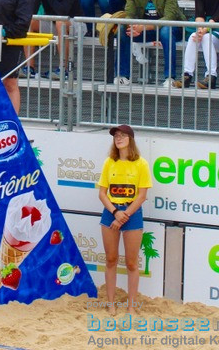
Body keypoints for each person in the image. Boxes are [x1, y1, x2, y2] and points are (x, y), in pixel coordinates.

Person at [97, 124, 151, 314]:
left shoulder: (141, 164)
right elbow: (102, 194)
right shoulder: (109, 163)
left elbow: (142, 196)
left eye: (122, 135)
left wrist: (124, 215)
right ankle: (111, 303)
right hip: (111, 212)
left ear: (131, 139)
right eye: (116, 136)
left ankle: (131, 306)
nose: (118, 138)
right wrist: (115, 213)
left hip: (132, 214)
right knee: (111, 259)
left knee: (131, 263)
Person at [114, 0, 184, 87]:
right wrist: (132, 27)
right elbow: (129, 13)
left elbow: (170, 17)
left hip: (172, 28)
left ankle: (170, 77)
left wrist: (144, 27)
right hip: (146, 30)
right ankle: (122, 75)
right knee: (122, 31)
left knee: (166, 31)